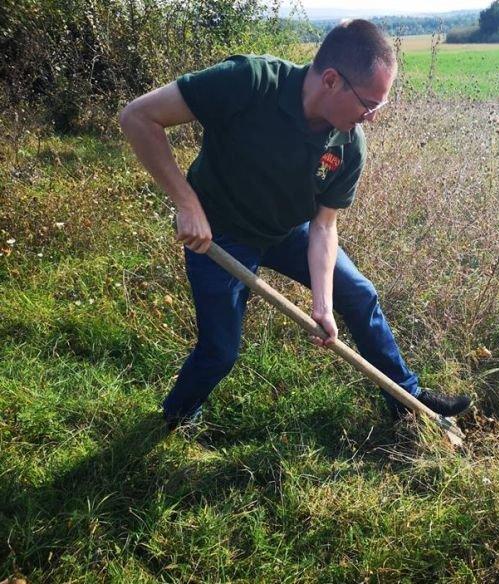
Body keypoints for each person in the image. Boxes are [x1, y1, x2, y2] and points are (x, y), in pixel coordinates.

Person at [119, 19, 472, 430]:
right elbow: (138, 117)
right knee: (221, 349)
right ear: (331, 80)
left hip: (287, 231)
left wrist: (322, 304)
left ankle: (405, 399)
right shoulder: (250, 82)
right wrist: (186, 202)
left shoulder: (348, 144)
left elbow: (323, 227)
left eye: (380, 105)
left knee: (358, 294)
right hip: (219, 235)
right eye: (369, 103)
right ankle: (179, 414)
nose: (373, 117)